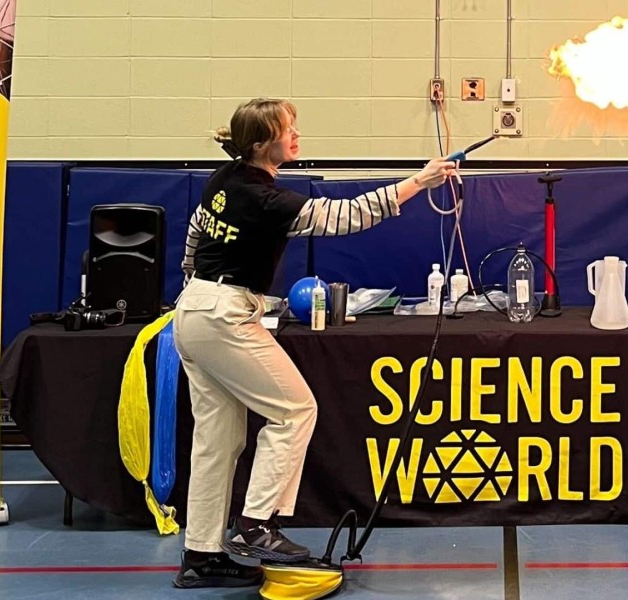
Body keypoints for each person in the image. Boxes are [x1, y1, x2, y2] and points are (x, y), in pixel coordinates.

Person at [172, 97, 456, 589]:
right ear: (263, 143)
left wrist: (192, 289)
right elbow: (346, 216)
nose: (296, 136)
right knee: (295, 409)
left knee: (217, 442)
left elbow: (196, 236)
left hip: (195, 308)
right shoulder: (267, 200)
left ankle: (200, 555)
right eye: (288, 129)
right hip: (222, 314)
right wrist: (420, 181)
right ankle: (257, 524)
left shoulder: (224, 180)